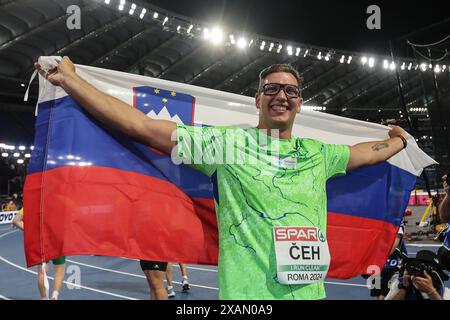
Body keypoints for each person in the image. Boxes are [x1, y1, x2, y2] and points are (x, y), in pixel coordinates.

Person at [35, 57, 410, 299]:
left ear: (299, 102)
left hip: (310, 295)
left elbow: (365, 153)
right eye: (272, 89)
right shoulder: (226, 146)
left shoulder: (319, 153)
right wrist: (71, 81)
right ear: (258, 99)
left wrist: (396, 140)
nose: (282, 96)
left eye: (291, 91)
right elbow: (143, 126)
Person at [12, 208, 66, 300]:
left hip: (41, 241)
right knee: (59, 269)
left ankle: (44, 298)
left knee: (41, 271)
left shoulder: (33, 202)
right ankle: (54, 296)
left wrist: (32, 232)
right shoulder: (60, 201)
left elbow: (16, 221)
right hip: (57, 240)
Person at [368, 222, 408, 300]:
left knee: (385, 296)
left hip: (392, 266)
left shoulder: (397, 223)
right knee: (378, 293)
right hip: (378, 266)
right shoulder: (378, 221)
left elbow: (391, 248)